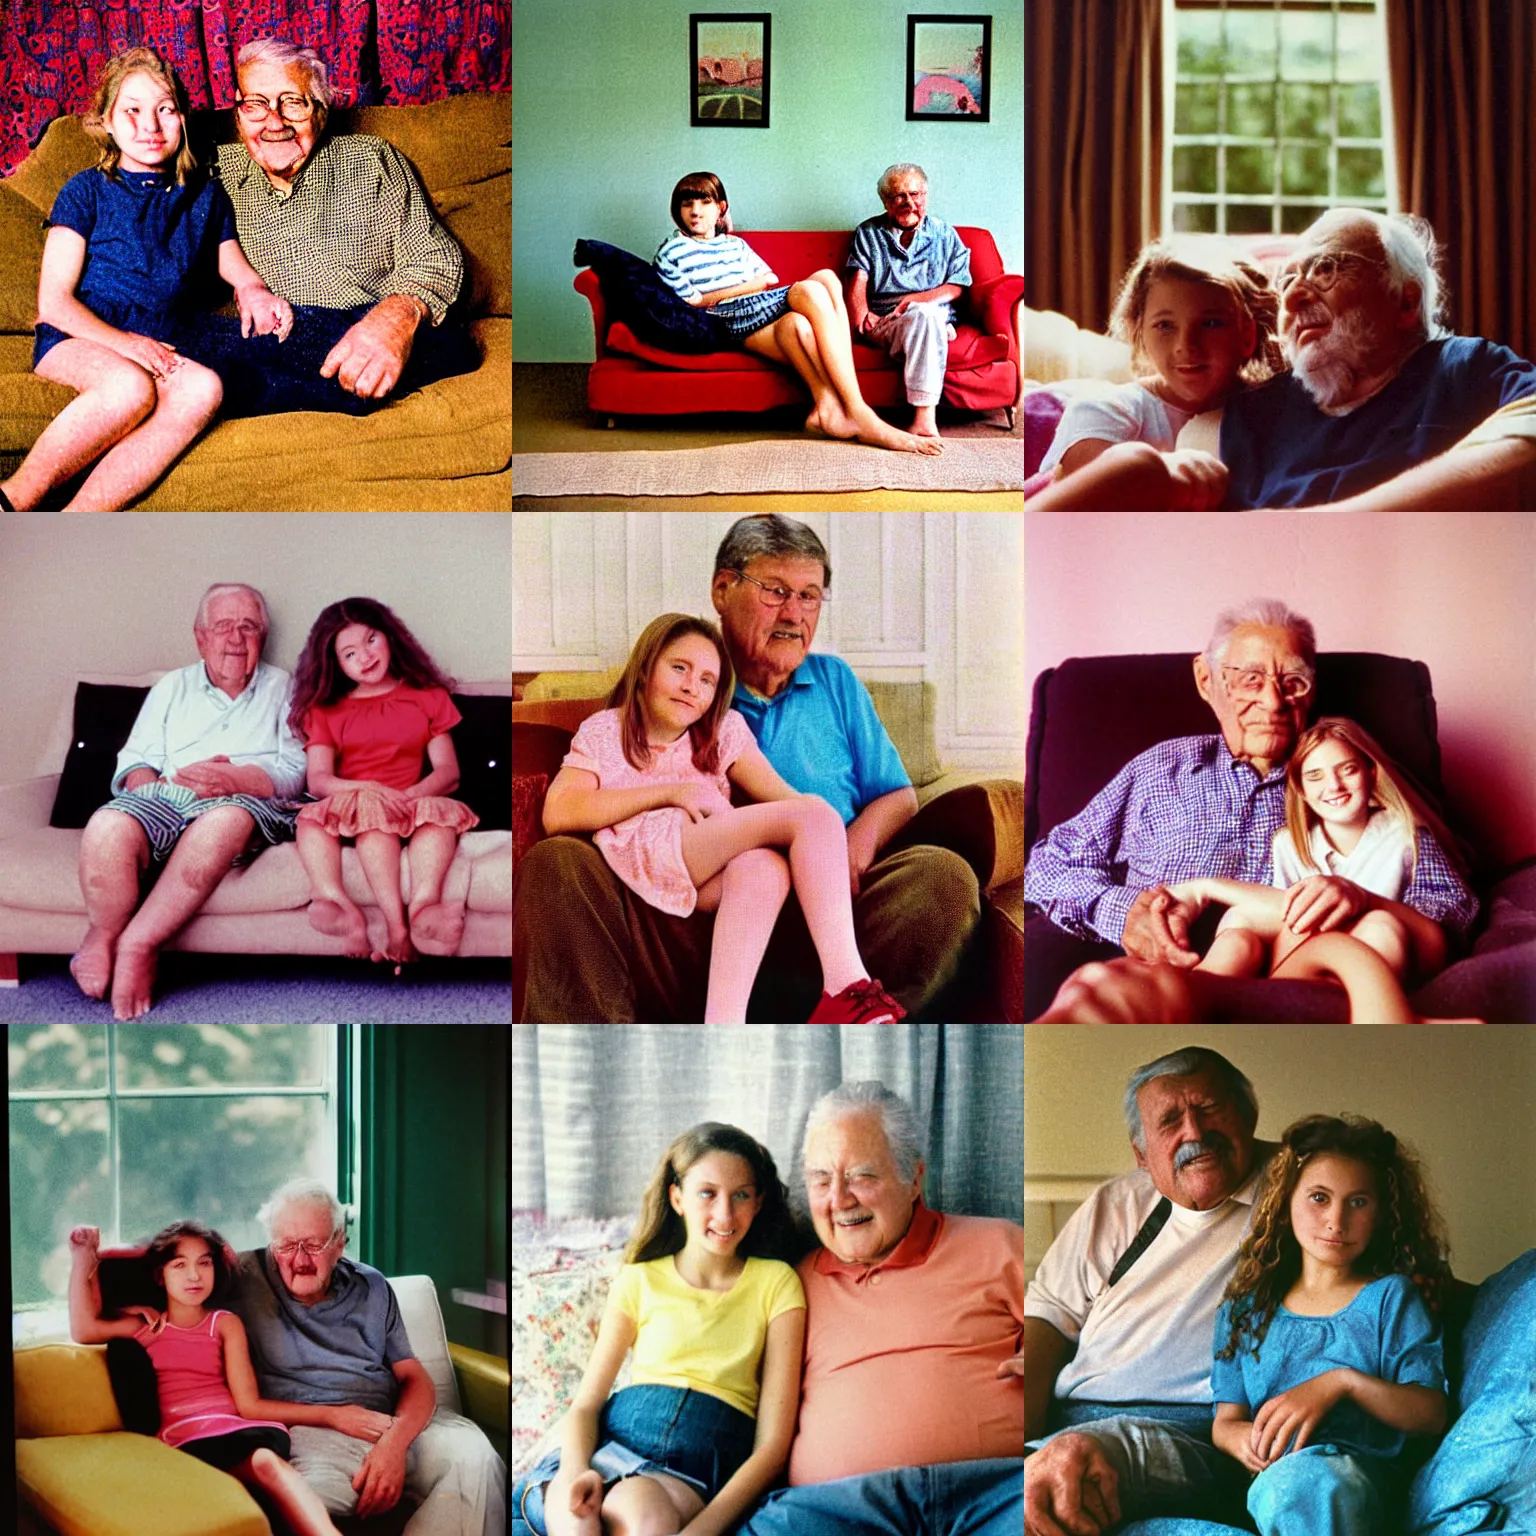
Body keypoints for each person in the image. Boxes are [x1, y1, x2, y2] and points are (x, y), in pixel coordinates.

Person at [515, 515, 981, 1023]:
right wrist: (672, 793)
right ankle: (597, 1066)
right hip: (688, 923)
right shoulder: (688, 711)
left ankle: (849, 1016)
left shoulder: (834, 683)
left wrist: (849, 851)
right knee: (557, 861)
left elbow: (894, 796)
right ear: (723, 589)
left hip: (826, 910)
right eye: (777, 591)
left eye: (810, 595)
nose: (795, 612)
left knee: (942, 875)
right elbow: (569, 806)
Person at [1022, 597, 1477, 1020]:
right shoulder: (1161, 768)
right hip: (1167, 972)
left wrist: (1363, 902)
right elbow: (1047, 864)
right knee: (1094, 993)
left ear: (1311, 691)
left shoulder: (1342, 776)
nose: (1274, 702)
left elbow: (1450, 909)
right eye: (1250, 680)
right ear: (1207, 679)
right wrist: (1122, 912)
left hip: (1302, 977)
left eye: (1292, 682)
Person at [541, 612, 905, 1023]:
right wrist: (671, 792)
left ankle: (723, 1030)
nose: (690, 687)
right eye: (679, 668)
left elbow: (785, 800)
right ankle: (845, 985)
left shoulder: (723, 728)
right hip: (644, 849)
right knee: (813, 815)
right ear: (644, 670)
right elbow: (559, 812)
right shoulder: (607, 728)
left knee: (765, 865)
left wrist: (823, 851)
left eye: (707, 680)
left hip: (703, 864)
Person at [0, 48, 290, 513]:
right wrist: (126, 345)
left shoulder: (204, 194)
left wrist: (253, 289)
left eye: (165, 110)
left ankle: (79, 520)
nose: (150, 127)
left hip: (157, 334)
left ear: (182, 120)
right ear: (107, 122)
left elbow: (230, 261)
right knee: (130, 387)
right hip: (78, 333)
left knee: (204, 388)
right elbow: (53, 304)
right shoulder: (86, 189)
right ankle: (14, 499)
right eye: (132, 110)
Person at [735, 1081, 1024, 1535]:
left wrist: (1050, 1353)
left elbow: (1076, 1335)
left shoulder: (1001, 1244)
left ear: (913, 1178)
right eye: (822, 1180)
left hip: (994, 1493)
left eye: (861, 1177)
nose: (839, 1199)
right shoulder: (786, 1284)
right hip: (838, 1511)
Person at [1024, 1047, 1276, 1534]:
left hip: (1202, 1432)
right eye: (1170, 1121)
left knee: (1065, 1474)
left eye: (1208, 1108)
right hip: (1074, 1421)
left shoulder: (1300, 1191)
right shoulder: (1117, 1203)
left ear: (1249, 1117)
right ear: (1142, 1155)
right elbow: (1049, 1316)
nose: (1195, 1133)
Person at [512, 1123, 806, 1536]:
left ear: (758, 1203)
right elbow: (585, 1405)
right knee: (577, 1519)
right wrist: (576, 1473)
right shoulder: (639, 1280)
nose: (725, 1213)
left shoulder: (777, 1283)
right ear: (677, 1197)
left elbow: (773, 1446)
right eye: (708, 1193)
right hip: (608, 1444)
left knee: (642, 1516)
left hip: (693, 1470)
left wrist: (702, 1530)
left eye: (740, 1195)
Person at [177, 37, 478, 417]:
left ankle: (243, 385)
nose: (274, 122)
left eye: (293, 103)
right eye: (255, 104)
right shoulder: (212, 173)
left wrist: (391, 321)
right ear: (237, 112)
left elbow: (434, 258)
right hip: (286, 335)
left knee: (453, 345)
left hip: (371, 323)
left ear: (321, 110)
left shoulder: (370, 160)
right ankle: (322, 385)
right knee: (207, 339)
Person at [70, 581, 306, 1019]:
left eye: (248, 627)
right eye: (223, 627)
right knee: (107, 826)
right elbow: (136, 761)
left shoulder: (284, 687)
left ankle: (139, 945)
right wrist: (150, 803)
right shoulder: (171, 687)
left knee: (223, 821)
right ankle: (102, 936)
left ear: (263, 638)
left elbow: (295, 772)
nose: (236, 638)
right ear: (200, 637)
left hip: (244, 799)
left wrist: (232, 778)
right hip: (169, 792)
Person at [1212, 1115, 1451, 1534]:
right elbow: (1224, 1421)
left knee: (1310, 1487)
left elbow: (1430, 1413)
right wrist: (1248, 1444)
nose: (1336, 1220)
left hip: (1358, 1483)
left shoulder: (1390, 1298)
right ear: (1286, 1200)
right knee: (1286, 1488)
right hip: (1270, 1485)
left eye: (1358, 1202)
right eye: (1319, 1198)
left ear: (1381, 1213)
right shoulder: (1244, 1310)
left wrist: (1341, 1383)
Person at [228, 1177, 507, 1534]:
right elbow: (175, 1273)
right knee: (308, 1505)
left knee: (476, 1459)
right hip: (312, 1431)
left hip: (394, 1423)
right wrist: (137, 1318)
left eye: (313, 1245)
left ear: (340, 1243)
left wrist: (394, 1444)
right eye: (285, 1245)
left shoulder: (372, 1286)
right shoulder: (242, 1278)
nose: (298, 1260)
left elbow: (414, 1376)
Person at [1220, 209, 1536, 510]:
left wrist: (1330, 527)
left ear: (1405, 303)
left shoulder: (1464, 367)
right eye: (1286, 281)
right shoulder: (1257, 410)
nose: (1292, 298)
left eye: (1326, 268)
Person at [67, 1219, 363, 1536]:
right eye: (179, 1265)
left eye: (204, 1263)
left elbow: (249, 1405)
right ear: (159, 1274)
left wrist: (333, 1416)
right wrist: (84, 1255)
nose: (194, 1275)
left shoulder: (224, 1324)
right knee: (254, 1477)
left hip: (235, 1431)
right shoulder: (146, 1327)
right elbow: (84, 1329)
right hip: (184, 1439)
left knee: (267, 1464)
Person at [1167, 716, 1470, 1020]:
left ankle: (1354, 1016)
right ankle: (1189, 1000)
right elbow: (1280, 916)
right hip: (1289, 960)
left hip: (1360, 964)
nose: (1334, 786)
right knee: (1239, 924)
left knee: (1382, 927)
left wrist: (1361, 898)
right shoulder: (1287, 844)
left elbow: (1445, 929)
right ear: (1300, 789)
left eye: (1347, 769)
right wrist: (1205, 887)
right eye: (1315, 776)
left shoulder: (1407, 836)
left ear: (1371, 772)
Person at [653, 171, 942, 455]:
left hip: (757, 314)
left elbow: (768, 279)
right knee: (812, 288)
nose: (695, 211)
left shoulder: (735, 244)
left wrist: (751, 284)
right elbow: (692, 302)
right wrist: (744, 288)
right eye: (686, 203)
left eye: (704, 202)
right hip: (722, 318)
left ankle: (827, 409)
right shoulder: (672, 250)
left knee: (799, 321)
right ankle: (860, 411)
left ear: (720, 208)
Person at [289, 597, 478, 971]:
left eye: (372, 640)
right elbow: (320, 778)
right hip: (354, 801)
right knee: (309, 821)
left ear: (390, 637)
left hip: (412, 799)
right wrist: (368, 792)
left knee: (438, 819)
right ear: (336, 663)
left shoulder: (427, 696)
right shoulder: (325, 708)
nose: (365, 656)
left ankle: (424, 906)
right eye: (349, 653)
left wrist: (410, 796)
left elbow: (448, 772)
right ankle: (359, 913)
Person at [1032, 235, 1282, 510]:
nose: (1185, 345)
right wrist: (1154, 474)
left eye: (1211, 323)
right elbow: (1074, 515)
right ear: (1139, 331)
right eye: (1165, 325)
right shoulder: (1104, 412)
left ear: (1247, 333)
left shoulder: (1275, 412)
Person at [846, 164, 973, 440]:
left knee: (926, 316)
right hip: (887, 321)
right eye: (898, 196)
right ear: (885, 201)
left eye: (914, 194)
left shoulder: (945, 233)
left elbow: (957, 286)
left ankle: (924, 421)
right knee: (929, 321)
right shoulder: (868, 232)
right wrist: (862, 317)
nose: (908, 203)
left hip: (926, 313)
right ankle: (936, 332)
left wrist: (910, 301)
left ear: (925, 195)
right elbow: (859, 281)